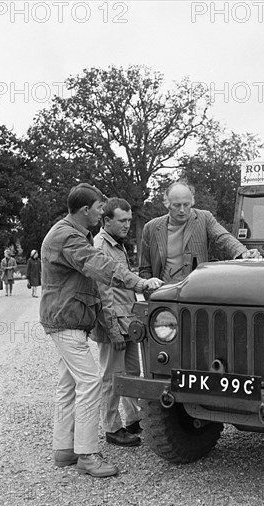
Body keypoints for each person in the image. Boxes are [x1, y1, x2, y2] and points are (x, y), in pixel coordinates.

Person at [40, 183, 163, 478]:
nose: (101, 214)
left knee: (68, 385)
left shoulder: (68, 232)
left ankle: (64, 449)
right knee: (90, 382)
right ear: (85, 210)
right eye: (98, 209)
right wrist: (139, 283)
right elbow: (99, 265)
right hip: (66, 321)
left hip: (66, 319)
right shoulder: (69, 237)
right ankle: (87, 455)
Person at [139, 180, 260, 294]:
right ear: (167, 204)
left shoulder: (204, 218)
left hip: (196, 293)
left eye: (186, 205)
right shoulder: (151, 228)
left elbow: (223, 237)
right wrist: (150, 292)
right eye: (177, 205)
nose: (182, 210)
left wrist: (243, 252)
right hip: (164, 295)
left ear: (192, 202)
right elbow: (145, 269)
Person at [90, 198, 142, 448]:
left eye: (129, 220)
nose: (127, 225)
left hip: (128, 321)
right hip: (115, 326)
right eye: (122, 220)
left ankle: (133, 418)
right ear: (107, 220)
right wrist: (113, 332)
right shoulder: (100, 245)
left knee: (132, 373)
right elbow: (103, 294)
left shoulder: (116, 244)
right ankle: (112, 428)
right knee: (111, 377)